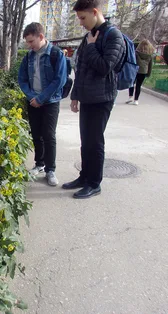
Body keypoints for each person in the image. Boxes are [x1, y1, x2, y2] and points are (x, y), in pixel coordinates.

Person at [62, 0, 125, 198]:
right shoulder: (89, 36)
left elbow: (105, 67)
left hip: (102, 98)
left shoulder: (113, 35)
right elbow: (80, 68)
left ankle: (94, 183)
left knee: (95, 141)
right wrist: (75, 96)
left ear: (95, 12)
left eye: (83, 18)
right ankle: (84, 176)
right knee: (85, 140)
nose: (81, 22)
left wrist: (91, 47)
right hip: (87, 97)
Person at [18, 22, 67, 186]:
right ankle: (39, 164)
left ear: (41, 36)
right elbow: (22, 79)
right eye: (27, 42)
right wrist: (32, 97)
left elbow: (59, 80)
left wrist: (42, 98)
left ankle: (50, 170)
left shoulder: (56, 54)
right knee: (36, 134)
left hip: (50, 102)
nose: (29, 45)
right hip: (33, 101)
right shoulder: (28, 56)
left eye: (31, 41)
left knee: (49, 135)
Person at [126, 39, 154, 106]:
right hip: (143, 71)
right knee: (139, 85)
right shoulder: (150, 55)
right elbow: (150, 65)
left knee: (132, 83)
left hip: (135, 70)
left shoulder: (136, 53)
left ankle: (130, 97)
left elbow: (133, 62)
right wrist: (148, 73)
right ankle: (136, 100)